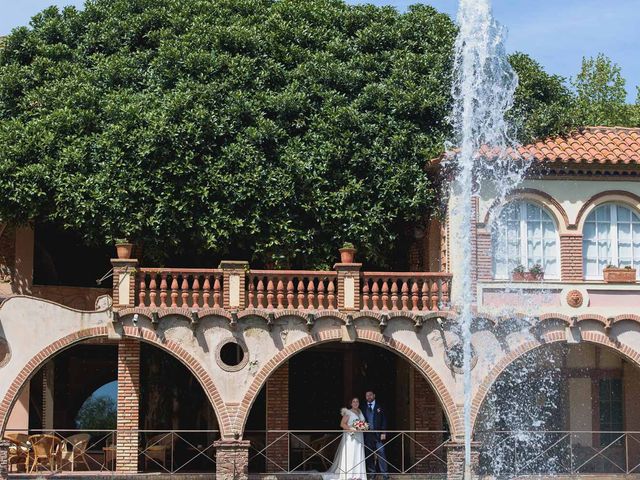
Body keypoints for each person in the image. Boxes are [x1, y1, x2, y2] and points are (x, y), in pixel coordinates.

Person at [323, 397, 367, 480]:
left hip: (359, 436)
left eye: (357, 401)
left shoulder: (360, 411)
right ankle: (349, 475)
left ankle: (358, 475)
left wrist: (363, 427)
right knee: (350, 453)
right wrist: (351, 429)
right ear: (351, 404)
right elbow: (342, 424)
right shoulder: (348, 412)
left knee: (358, 453)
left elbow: (362, 423)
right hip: (351, 437)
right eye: (353, 401)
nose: (355, 403)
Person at [363, 390, 389, 480]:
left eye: (370, 395)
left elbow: (384, 420)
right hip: (368, 435)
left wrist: (383, 432)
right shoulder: (363, 407)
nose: (369, 397)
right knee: (369, 455)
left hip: (378, 435)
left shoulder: (380, 406)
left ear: (374, 395)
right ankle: (372, 474)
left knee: (381, 452)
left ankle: (385, 475)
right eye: (367, 395)